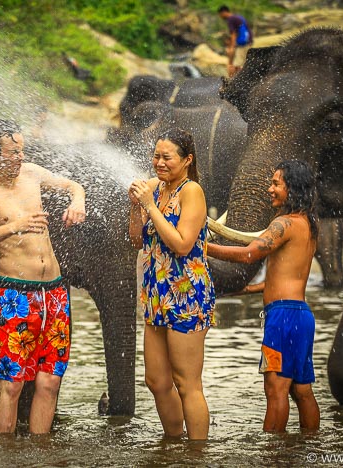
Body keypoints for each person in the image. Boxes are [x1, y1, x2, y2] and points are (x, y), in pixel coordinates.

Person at [0, 120, 86, 435]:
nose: (19, 158)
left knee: (50, 380)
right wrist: (13, 226)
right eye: (12, 153)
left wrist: (77, 203)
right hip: (16, 294)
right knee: (12, 384)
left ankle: (39, 451)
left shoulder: (30, 173)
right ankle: (6, 452)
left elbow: (73, 185)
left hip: (54, 292)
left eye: (21, 151)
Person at [207, 160, 320, 433]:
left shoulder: (284, 223)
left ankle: (272, 453)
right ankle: (310, 445)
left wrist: (202, 247)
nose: (269, 189)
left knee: (275, 389)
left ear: (293, 189)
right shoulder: (308, 224)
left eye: (276, 184)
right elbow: (288, 278)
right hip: (300, 315)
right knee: (301, 389)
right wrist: (248, 290)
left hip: (282, 319)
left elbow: (249, 254)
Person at [128, 129, 215, 440]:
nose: (159, 163)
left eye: (167, 157)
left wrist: (150, 206)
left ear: (187, 160)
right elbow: (137, 238)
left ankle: (196, 453)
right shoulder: (156, 188)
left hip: (186, 293)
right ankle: (174, 444)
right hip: (156, 294)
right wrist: (135, 207)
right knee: (157, 380)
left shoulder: (192, 192)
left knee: (186, 382)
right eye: (156, 156)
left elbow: (182, 244)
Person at [217, 5, 253, 77]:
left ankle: (238, 82)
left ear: (224, 12)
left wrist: (231, 47)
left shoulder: (231, 19)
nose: (220, 17)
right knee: (243, 63)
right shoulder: (239, 17)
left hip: (242, 44)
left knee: (237, 65)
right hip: (247, 42)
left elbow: (233, 34)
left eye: (220, 15)